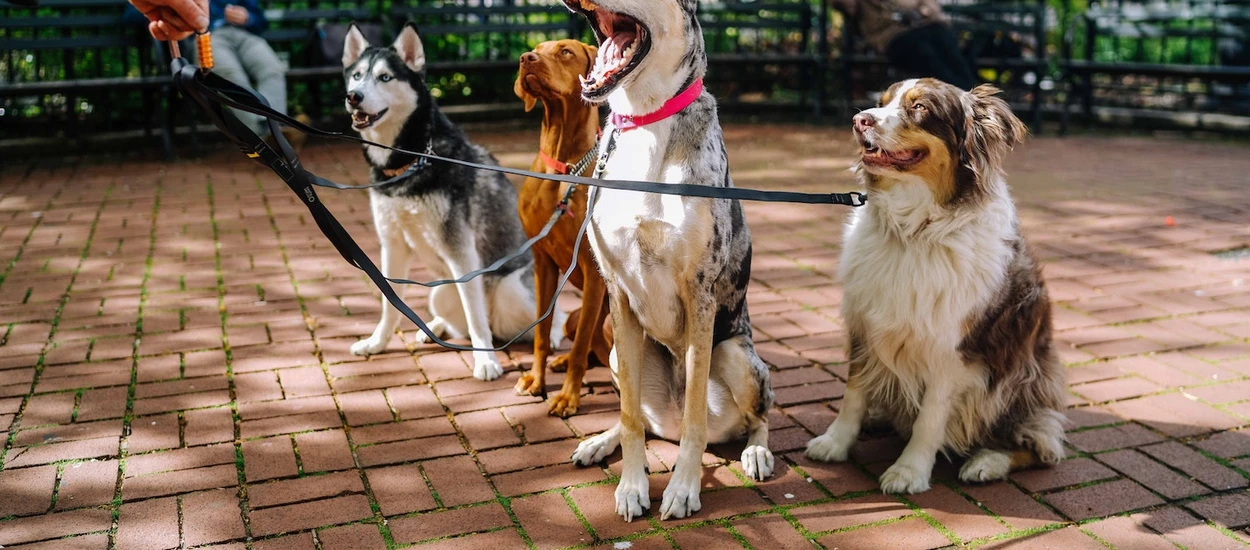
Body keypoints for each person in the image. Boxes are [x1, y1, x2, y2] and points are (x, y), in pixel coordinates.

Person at [833, 0, 977, 90]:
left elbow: (927, 10)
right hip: (890, 39)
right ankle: (962, 91)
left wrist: (925, 8)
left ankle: (968, 89)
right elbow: (845, 5)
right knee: (925, 52)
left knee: (942, 35)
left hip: (917, 31)